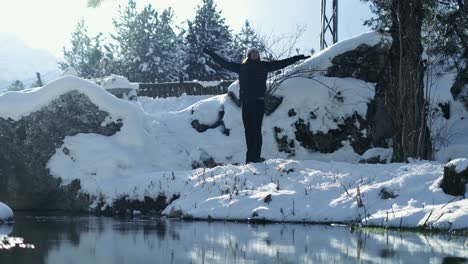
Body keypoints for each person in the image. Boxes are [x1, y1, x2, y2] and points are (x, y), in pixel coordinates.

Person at [203, 47, 310, 164]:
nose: (255, 54)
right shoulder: (242, 67)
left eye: (256, 53)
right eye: (252, 53)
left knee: (256, 130)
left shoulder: (264, 66)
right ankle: (249, 158)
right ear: (249, 55)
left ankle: (256, 157)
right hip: (247, 103)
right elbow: (224, 63)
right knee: (248, 131)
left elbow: (281, 63)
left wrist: (296, 58)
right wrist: (211, 54)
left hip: (258, 102)